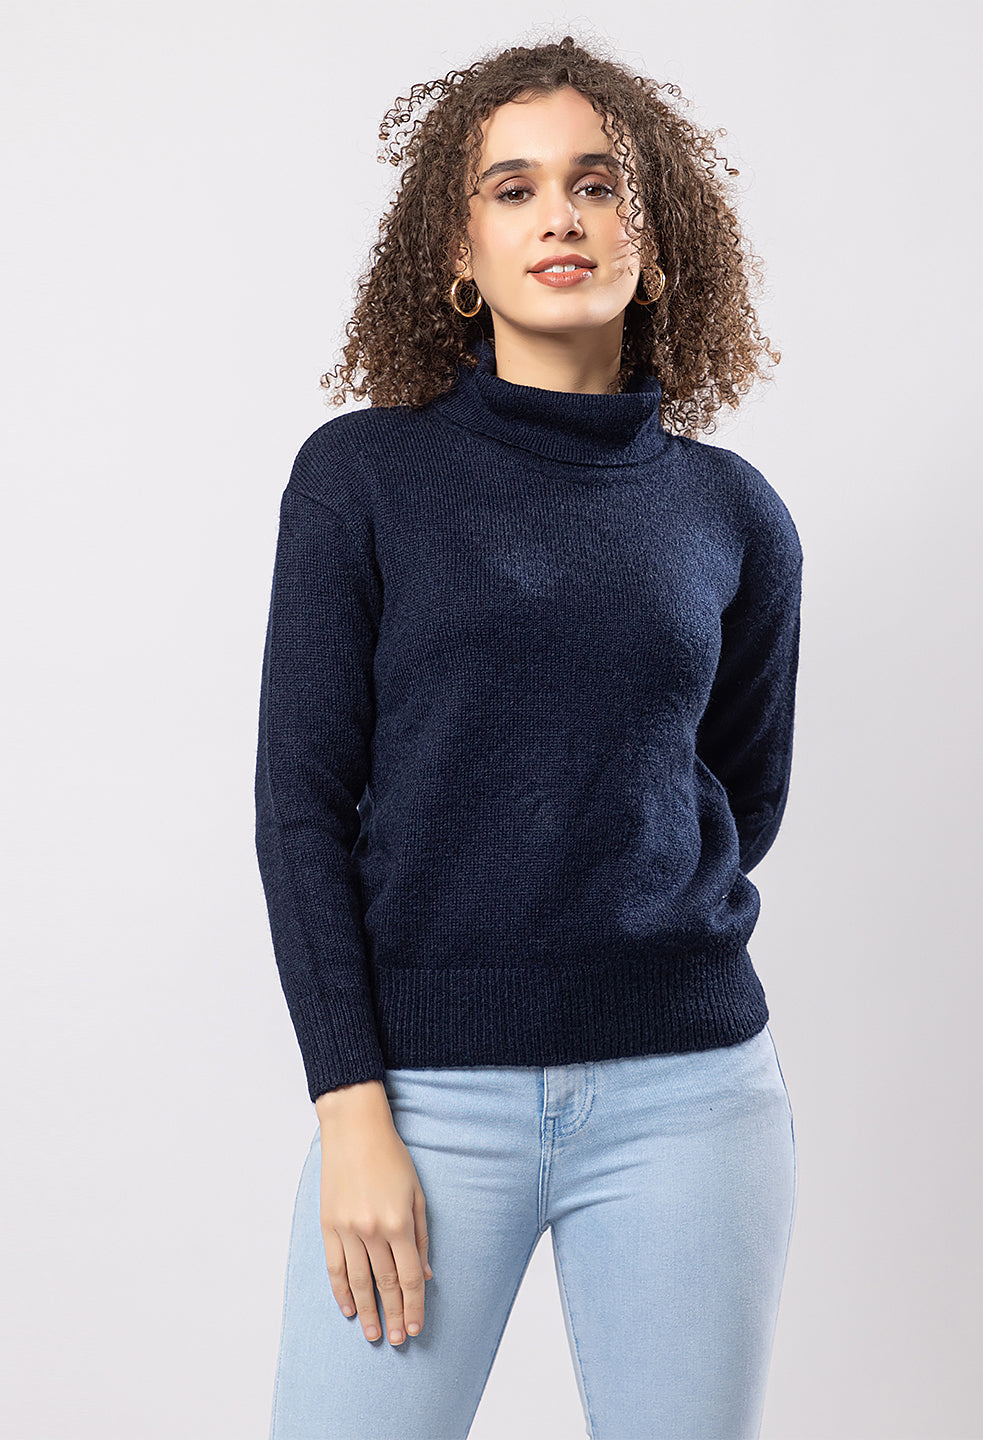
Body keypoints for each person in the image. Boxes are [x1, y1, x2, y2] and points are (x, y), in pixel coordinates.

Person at [255, 33, 803, 1440]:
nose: (560, 215)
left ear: (654, 241)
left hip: (690, 1098)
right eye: (513, 189)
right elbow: (300, 808)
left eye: (597, 184)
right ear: (460, 253)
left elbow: (737, 793)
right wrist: (350, 1107)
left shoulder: (734, 514)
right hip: (422, 1103)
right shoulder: (361, 479)